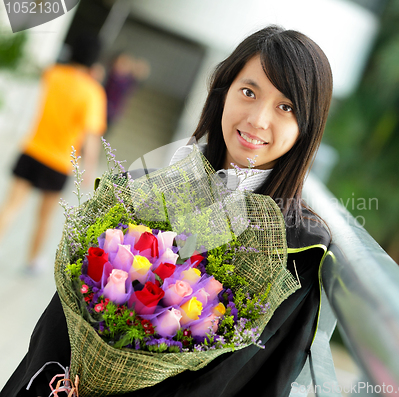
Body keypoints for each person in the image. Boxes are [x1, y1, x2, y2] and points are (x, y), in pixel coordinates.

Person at [0, 25, 333, 396]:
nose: (258, 119)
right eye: (249, 92)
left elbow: (249, 377)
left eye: (285, 107)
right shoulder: (143, 188)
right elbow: (62, 315)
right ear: (223, 93)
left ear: (307, 126)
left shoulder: (297, 251)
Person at [0, 35, 107, 273]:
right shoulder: (93, 92)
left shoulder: (54, 74)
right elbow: (91, 138)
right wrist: (89, 170)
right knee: (44, 217)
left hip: (32, 149)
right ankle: (32, 261)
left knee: (11, 206)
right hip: (59, 162)